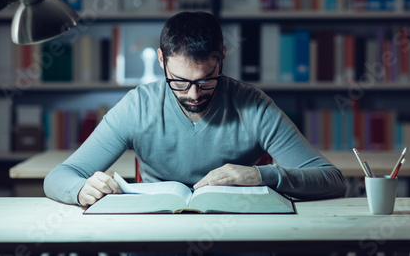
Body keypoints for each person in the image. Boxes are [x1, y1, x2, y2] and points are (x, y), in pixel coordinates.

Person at [44, 11, 347, 206]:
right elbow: (59, 176)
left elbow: (332, 180)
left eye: (206, 80)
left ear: (222, 58)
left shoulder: (253, 104)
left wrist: (261, 175)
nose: (192, 94)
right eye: (178, 81)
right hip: (156, 239)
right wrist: (82, 189)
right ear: (161, 61)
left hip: (237, 236)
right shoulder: (138, 105)